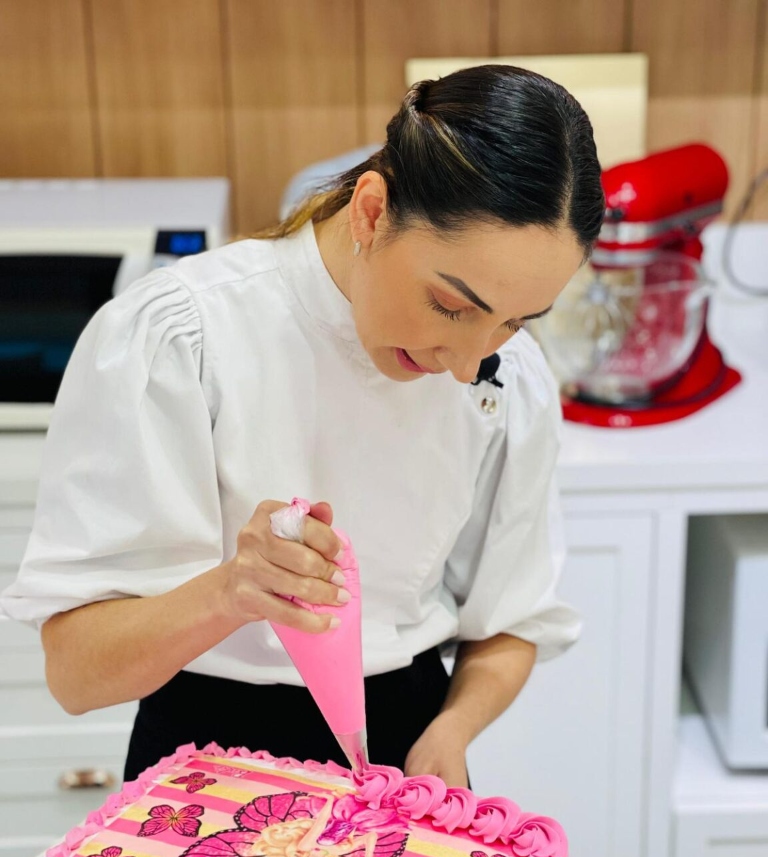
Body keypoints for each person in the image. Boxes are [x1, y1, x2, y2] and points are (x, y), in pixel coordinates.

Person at [0, 65, 604, 788]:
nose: (469, 364)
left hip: (403, 746)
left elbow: (511, 622)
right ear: (372, 214)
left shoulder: (513, 381)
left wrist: (449, 732)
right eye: (451, 306)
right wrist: (233, 589)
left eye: (512, 321)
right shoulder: (182, 336)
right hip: (203, 759)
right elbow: (75, 675)